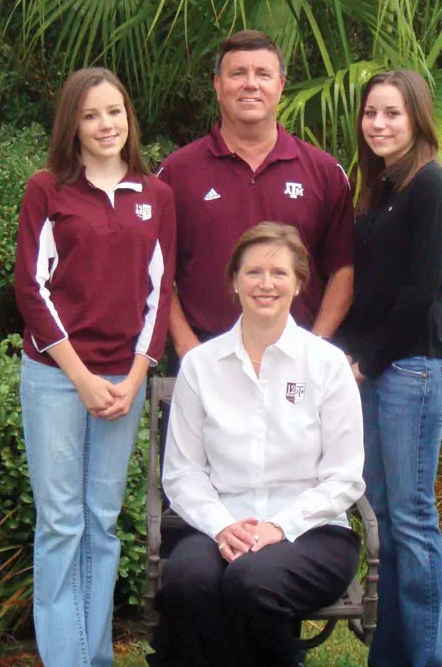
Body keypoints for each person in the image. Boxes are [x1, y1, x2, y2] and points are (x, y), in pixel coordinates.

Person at [14, 67, 176, 667]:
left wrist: (134, 378)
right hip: (57, 377)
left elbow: (160, 296)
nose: (106, 124)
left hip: (122, 381)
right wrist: (81, 377)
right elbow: (31, 290)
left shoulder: (155, 195)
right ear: (72, 126)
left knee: (102, 523)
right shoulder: (48, 190)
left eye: (115, 112)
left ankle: (96, 657)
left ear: (128, 119)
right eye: (90, 115)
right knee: (61, 523)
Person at [148, 222, 365, 667]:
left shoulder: (326, 365)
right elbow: (183, 472)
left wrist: (279, 527)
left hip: (313, 531)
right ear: (234, 281)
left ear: (299, 283)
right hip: (219, 525)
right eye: (253, 273)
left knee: (251, 580)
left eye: (279, 273)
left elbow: (344, 478)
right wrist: (222, 526)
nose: (266, 284)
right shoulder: (201, 366)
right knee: (189, 581)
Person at [343, 70, 442, 667]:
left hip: (414, 370)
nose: (379, 124)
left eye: (392, 113)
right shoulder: (380, 187)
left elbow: (418, 294)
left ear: (417, 117)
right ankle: (390, 657)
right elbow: (373, 291)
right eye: (371, 113)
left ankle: (426, 659)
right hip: (379, 370)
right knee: (384, 518)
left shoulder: (431, 185)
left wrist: (367, 361)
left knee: (411, 520)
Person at [156, 29, 354, 370]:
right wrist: (188, 348)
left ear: (281, 85)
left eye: (263, 74)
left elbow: (344, 269)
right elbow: (156, 270)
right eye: (237, 73)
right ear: (218, 85)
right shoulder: (176, 173)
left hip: (298, 361)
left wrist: (316, 346)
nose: (251, 84)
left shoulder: (324, 173)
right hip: (204, 357)